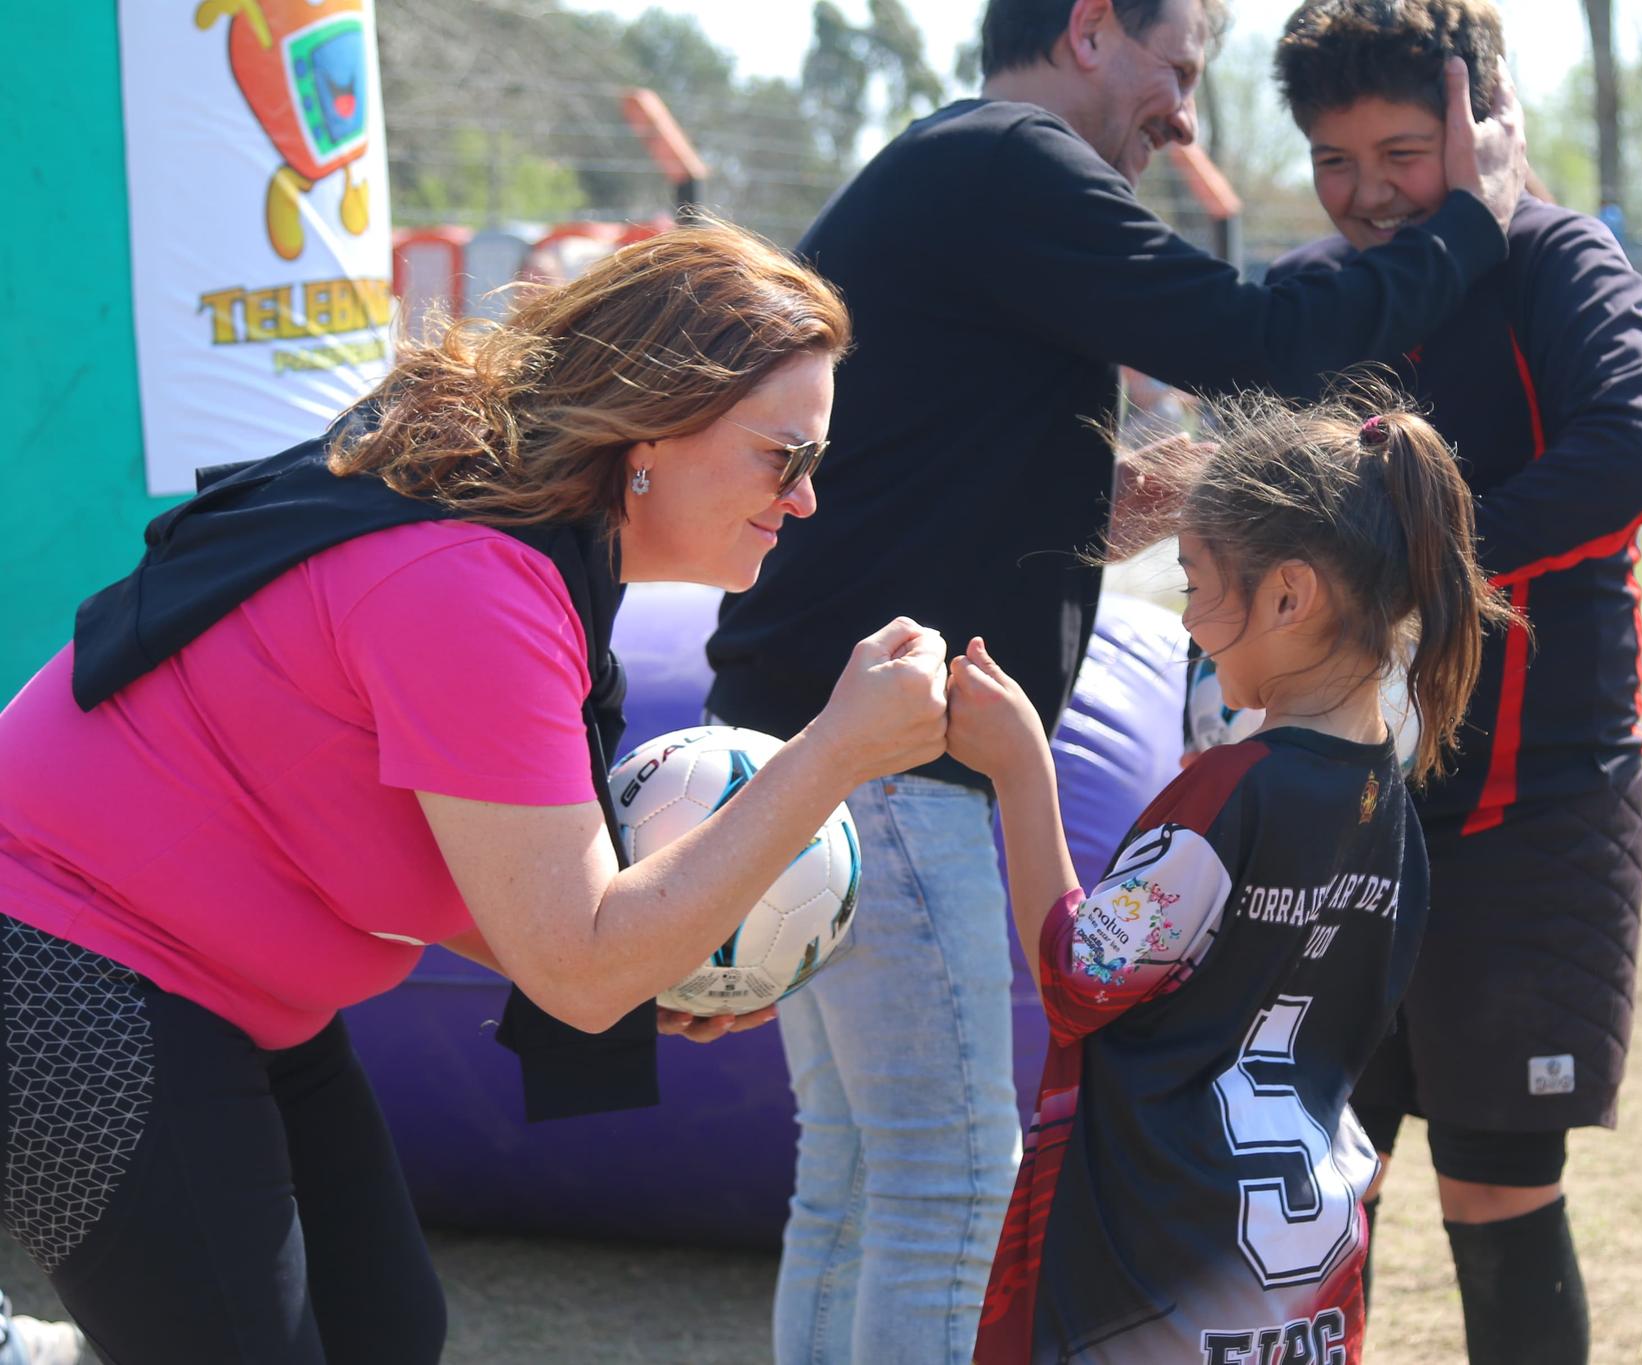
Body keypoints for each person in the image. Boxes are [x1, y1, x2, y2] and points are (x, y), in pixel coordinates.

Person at [702, 0, 1526, 1353]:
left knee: (854, 1177)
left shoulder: (960, 174)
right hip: (890, 757)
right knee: (947, 1181)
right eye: (1177, 68)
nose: (1185, 115)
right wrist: (1470, 228)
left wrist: (1104, 499)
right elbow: (1252, 336)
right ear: (1091, 28)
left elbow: (922, 458)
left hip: (824, 737)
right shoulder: (1009, 161)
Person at [0, 221, 951, 1363]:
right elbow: (578, 965)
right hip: (70, 966)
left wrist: (653, 964)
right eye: (784, 457)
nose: (804, 500)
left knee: (387, 1334)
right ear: (654, 425)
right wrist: (836, 751)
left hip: (210, 982)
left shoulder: (511, 538)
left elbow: (504, 895)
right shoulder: (475, 581)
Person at [1262, 3, 1642, 1360]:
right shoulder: (1321, 290)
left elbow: (1635, 452)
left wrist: (1409, 570)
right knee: (1305, 1180)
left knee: (1496, 1184)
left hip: (1530, 811)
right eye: (1334, 162)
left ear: (1487, 122)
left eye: (1402, 152)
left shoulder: (1560, 263)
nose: (1369, 193)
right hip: (1335, 814)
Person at [948, 387, 1513, 1361]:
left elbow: (1079, 976)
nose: (1189, 623)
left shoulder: (1232, 791)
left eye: (1196, 584)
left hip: (1162, 1274)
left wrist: (1020, 769)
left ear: (1288, 597)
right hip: (1299, 1290)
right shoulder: (1390, 809)